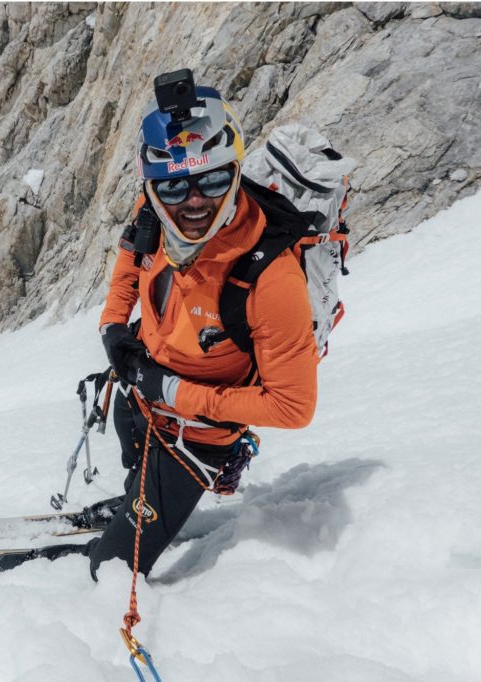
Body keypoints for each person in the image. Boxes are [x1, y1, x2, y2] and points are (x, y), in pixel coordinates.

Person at [87, 76, 319, 579]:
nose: (194, 202)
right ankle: (139, 495)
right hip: (143, 388)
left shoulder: (271, 279)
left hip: (196, 437)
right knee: (134, 456)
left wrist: (174, 390)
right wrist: (113, 326)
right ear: (151, 188)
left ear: (234, 173)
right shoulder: (153, 210)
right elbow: (131, 259)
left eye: (212, 181)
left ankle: (150, 508)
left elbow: (293, 406)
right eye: (173, 186)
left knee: (107, 571)